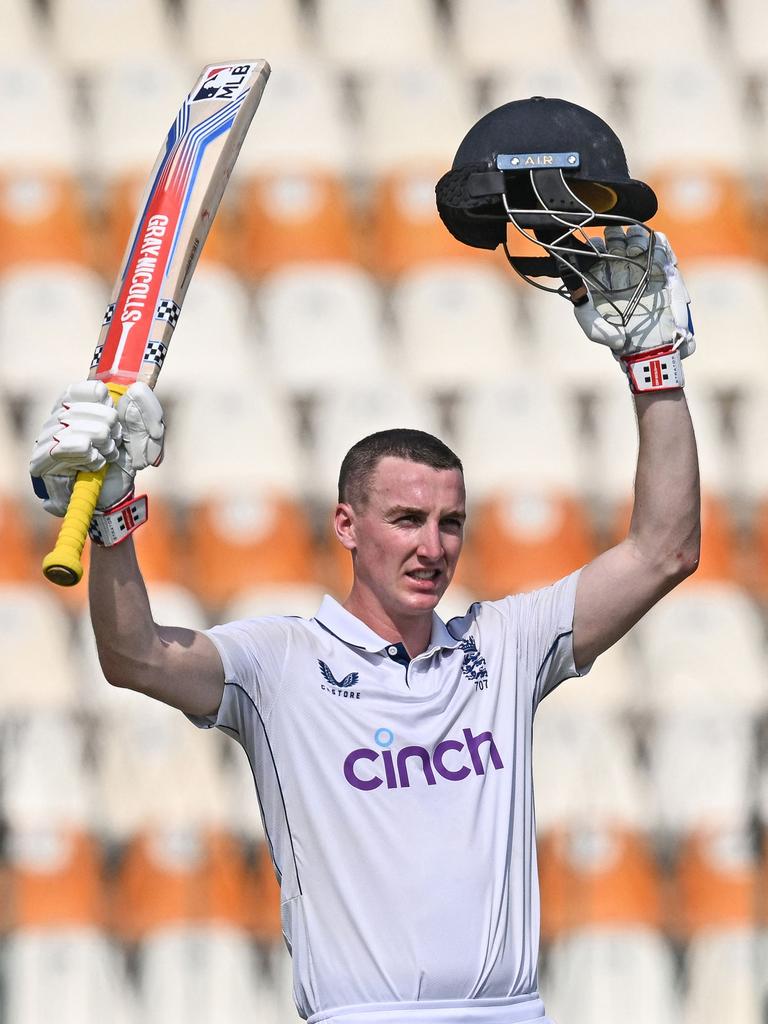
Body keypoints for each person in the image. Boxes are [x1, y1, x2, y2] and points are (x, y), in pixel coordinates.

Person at [30, 100, 700, 1024]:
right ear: (347, 525)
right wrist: (110, 522)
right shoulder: (281, 664)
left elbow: (666, 549)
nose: (433, 547)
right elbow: (134, 654)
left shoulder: (502, 646)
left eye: (450, 522)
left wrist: (655, 367)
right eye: (406, 519)